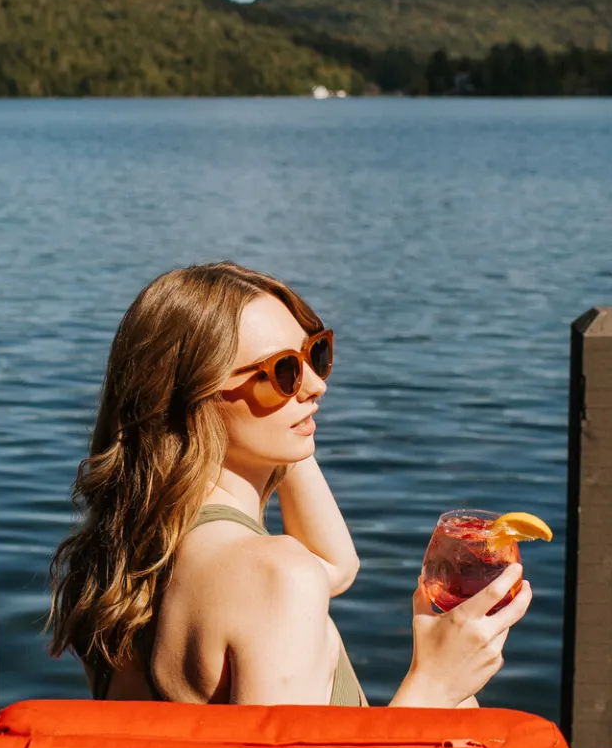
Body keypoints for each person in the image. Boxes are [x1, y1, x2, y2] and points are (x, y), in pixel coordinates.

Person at [48, 261, 532, 706]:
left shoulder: (128, 554)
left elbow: (337, 567)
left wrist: (283, 422)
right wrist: (434, 687)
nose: (317, 385)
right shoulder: (275, 577)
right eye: (283, 372)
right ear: (195, 400)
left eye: (315, 354)